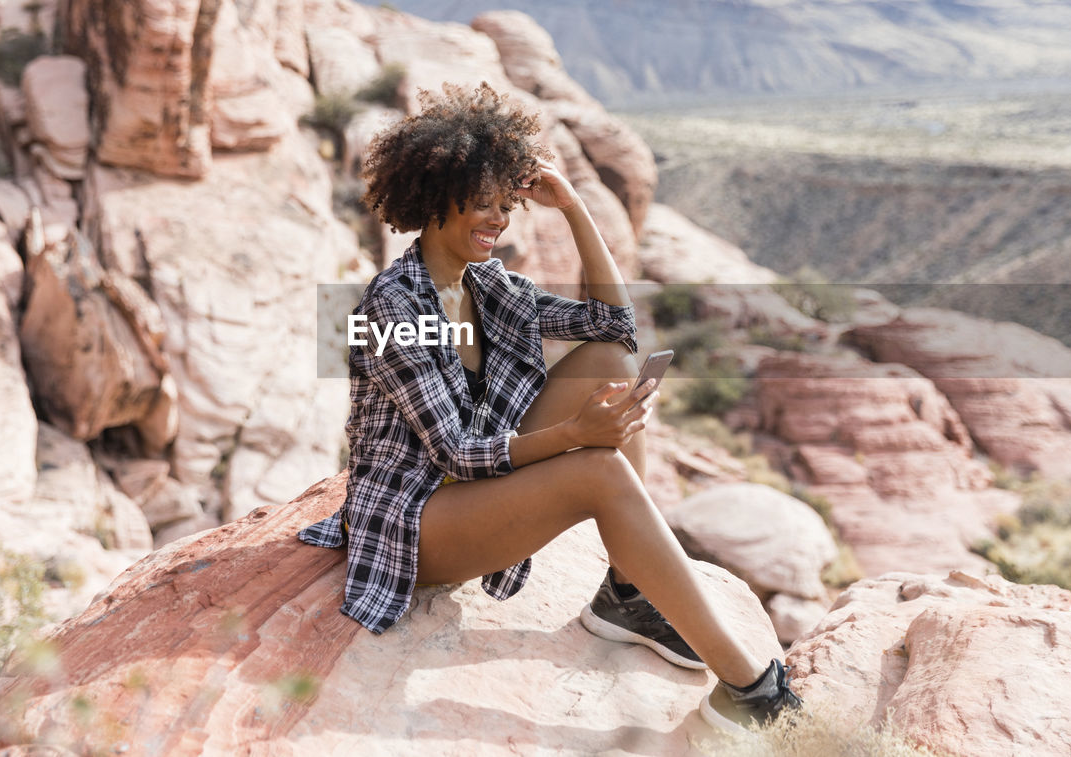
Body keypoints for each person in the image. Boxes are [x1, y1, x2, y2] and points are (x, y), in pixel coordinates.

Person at [299, 82, 802, 731]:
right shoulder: (394, 307)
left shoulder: (488, 285)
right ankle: (753, 692)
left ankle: (626, 595)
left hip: (476, 486)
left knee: (610, 364)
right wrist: (576, 432)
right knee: (599, 470)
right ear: (433, 199)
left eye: (506, 205)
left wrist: (572, 206)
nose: (499, 221)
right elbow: (453, 450)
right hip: (416, 523)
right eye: (483, 205)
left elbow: (613, 324)